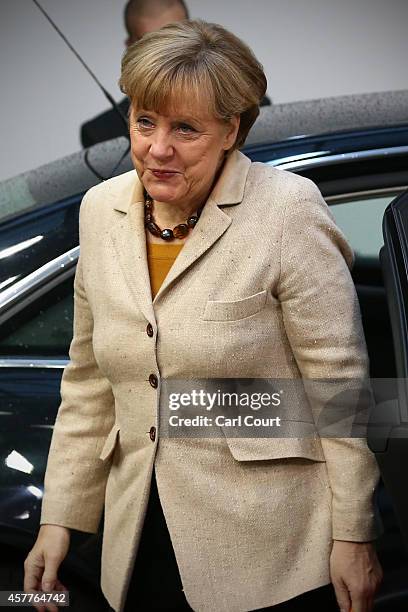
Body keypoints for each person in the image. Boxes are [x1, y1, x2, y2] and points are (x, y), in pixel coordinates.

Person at [25, 20, 383, 612]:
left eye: (185, 129)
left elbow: (338, 388)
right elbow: (89, 382)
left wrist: (353, 532)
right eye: (145, 122)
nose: (157, 148)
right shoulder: (101, 209)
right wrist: (60, 519)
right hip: (137, 539)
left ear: (231, 131)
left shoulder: (288, 213)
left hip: (272, 552)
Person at [80, 0, 271, 149]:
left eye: (176, 39)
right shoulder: (100, 134)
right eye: (145, 122)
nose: (159, 150)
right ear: (131, 47)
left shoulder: (245, 104)